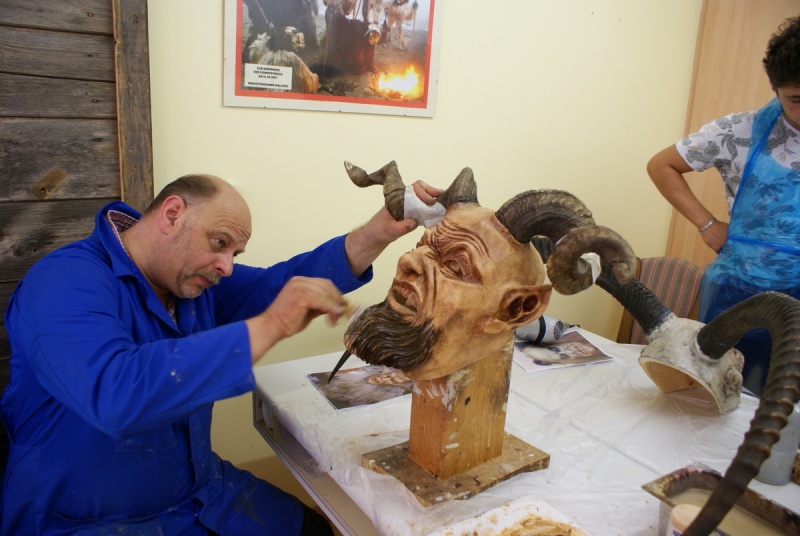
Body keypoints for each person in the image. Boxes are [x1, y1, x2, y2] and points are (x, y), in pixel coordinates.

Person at [0, 173, 441, 536]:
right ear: (172, 214)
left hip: (198, 491)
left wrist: (377, 232)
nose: (227, 266)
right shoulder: (63, 283)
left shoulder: (191, 283)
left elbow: (280, 284)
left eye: (235, 253)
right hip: (85, 520)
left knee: (318, 529)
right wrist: (270, 324)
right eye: (219, 243)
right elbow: (114, 393)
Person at [646, 16, 800, 396]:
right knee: (715, 396)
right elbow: (661, 165)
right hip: (735, 295)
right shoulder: (737, 132)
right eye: (797, 100)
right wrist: (706, 224)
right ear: (774, 88)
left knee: (785, 405)